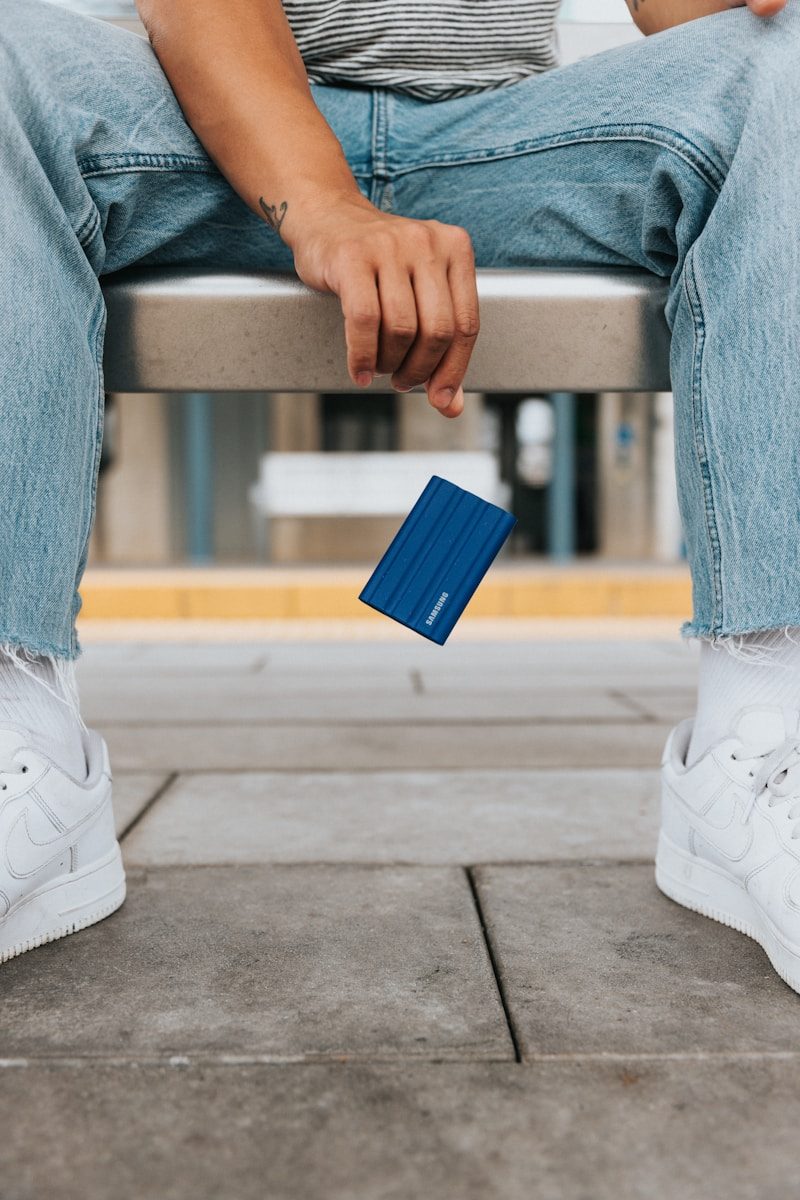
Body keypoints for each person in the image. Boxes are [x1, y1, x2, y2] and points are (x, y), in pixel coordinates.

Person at [1, 0, 799, 987]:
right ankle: (20, 744)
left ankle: (760, 742)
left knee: (787, 60)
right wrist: (327, 206)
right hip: (210, 129)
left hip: (519, 136)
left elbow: (687, 18)